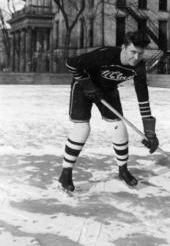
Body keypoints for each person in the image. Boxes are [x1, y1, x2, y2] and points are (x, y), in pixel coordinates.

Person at [58, 31, 159, 191]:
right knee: (82, 128)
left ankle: (123, 170)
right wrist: (87, 84)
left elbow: (142, 95)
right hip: (83, 87)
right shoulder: (106, 55)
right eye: (133, 52)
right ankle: (66, 173)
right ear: (123, 48)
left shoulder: (139, 66)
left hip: (108, 90)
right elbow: (71, 63)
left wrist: (150, 131)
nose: (136, 57)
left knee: (119, 126)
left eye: (140, 53)